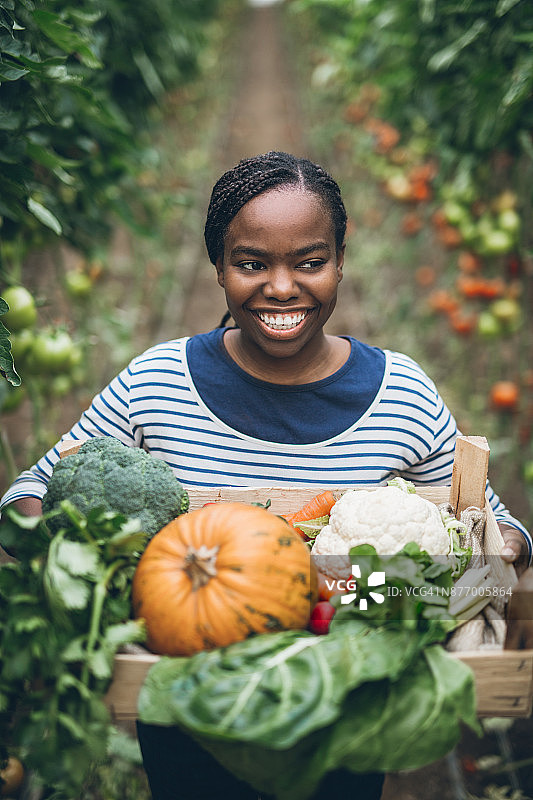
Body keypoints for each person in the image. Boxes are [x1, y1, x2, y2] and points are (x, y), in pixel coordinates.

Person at [1, 151, 532, 799]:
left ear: (340, 261)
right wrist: (65, 566)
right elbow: (29, 492)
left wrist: (502, 550)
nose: (281, 287)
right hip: (188, 707)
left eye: (309, 262)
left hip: (344, 707)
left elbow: (496, 521)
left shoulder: (402, 396)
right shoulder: (157, 384)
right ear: (219, 270)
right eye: (251, 263)